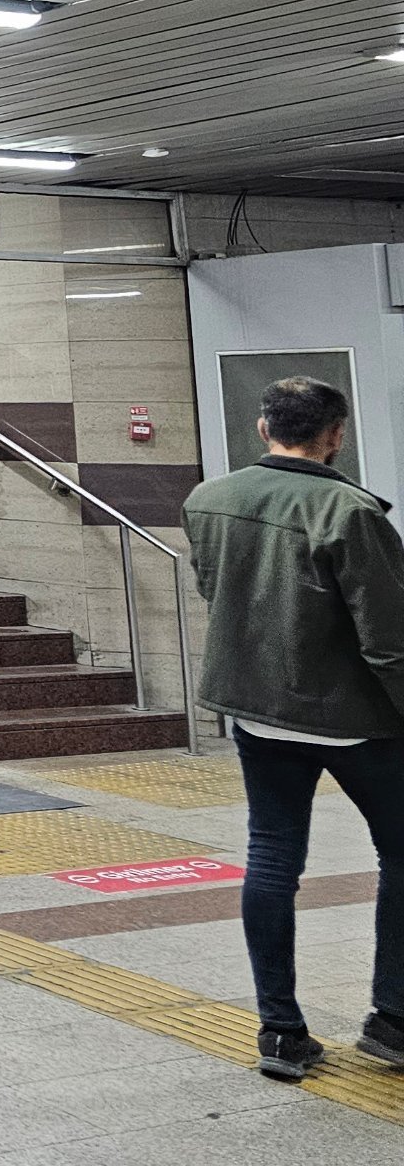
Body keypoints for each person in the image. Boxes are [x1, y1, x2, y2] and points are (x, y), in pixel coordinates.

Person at [183, 375, 404, 1082]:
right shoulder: (349, 510)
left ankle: (280, 1032)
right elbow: (388, 640)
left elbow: (217, 592)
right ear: (336, 435)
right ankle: (392, 1021)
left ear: (264, 428)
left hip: (257, 711)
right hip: (351, 718)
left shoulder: (209, 498)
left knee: (273, 857)